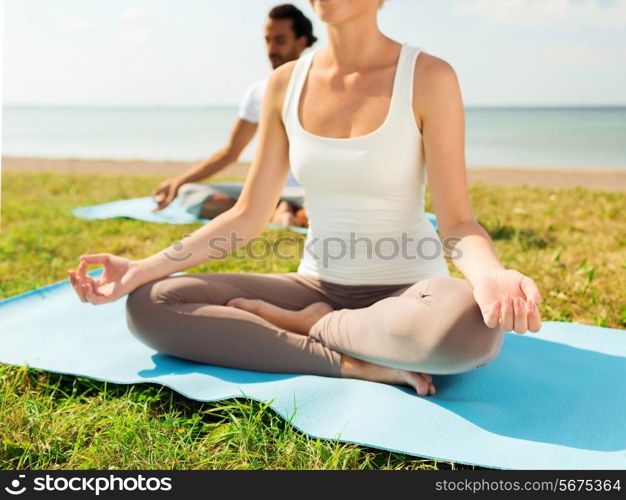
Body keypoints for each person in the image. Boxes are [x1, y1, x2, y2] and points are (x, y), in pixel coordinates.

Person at [68, 0, 543, 397]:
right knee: (153, 303)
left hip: (408, 292)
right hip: (316, 285)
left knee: (468, 327)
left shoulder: (429, 77)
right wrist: (140, 269)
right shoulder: (284, 84)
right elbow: (248, 215)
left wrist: (491, 276)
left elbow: (457, 222)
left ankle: (313, 326)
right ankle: (350, 361)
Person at [151, 3, 314, 227]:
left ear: (301, 41)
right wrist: (179, 181)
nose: (271, 48)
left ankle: (286, 210)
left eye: (280, 40)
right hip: (265, 192)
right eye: (267, 40)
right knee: (189, 193)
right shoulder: (259, 92)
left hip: (311, 192)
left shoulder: (323, 87)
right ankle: (279, 210)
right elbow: (230, 151)